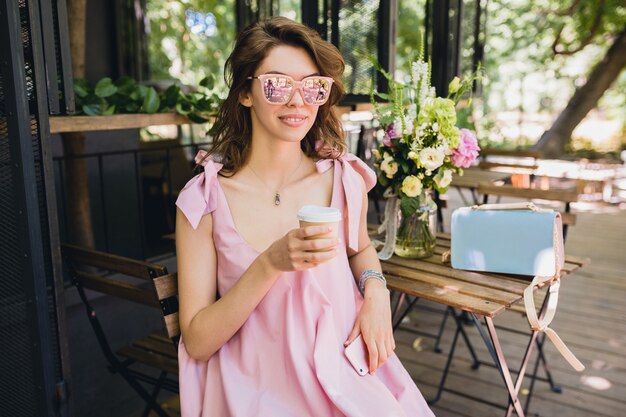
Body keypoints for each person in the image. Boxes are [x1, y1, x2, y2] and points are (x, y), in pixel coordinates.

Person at [175, 16, 435, 417]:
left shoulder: (342, 178)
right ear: (246, 92)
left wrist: (377, 291)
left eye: (314, 86)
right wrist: (270, 263)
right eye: (277, 85)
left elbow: (360, 249)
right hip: (258, 386)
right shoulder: (203, 201)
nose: (298, 102)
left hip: (346, 373)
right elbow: (197, 340)